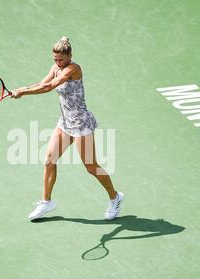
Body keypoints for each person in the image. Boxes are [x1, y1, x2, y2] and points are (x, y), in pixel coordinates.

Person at [11, 37, 123, 221]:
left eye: (61, 59)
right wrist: (24, 88)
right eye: (55, 59)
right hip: (65, 123)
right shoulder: (56, 67)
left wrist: (23, 92)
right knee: (49, 160)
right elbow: (43, 82)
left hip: (81, 124)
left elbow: (49, 87)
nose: (57, 62)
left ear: (70, 56)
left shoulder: (74, 69)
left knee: (91, 166)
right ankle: (46, 202)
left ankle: (115, 198)